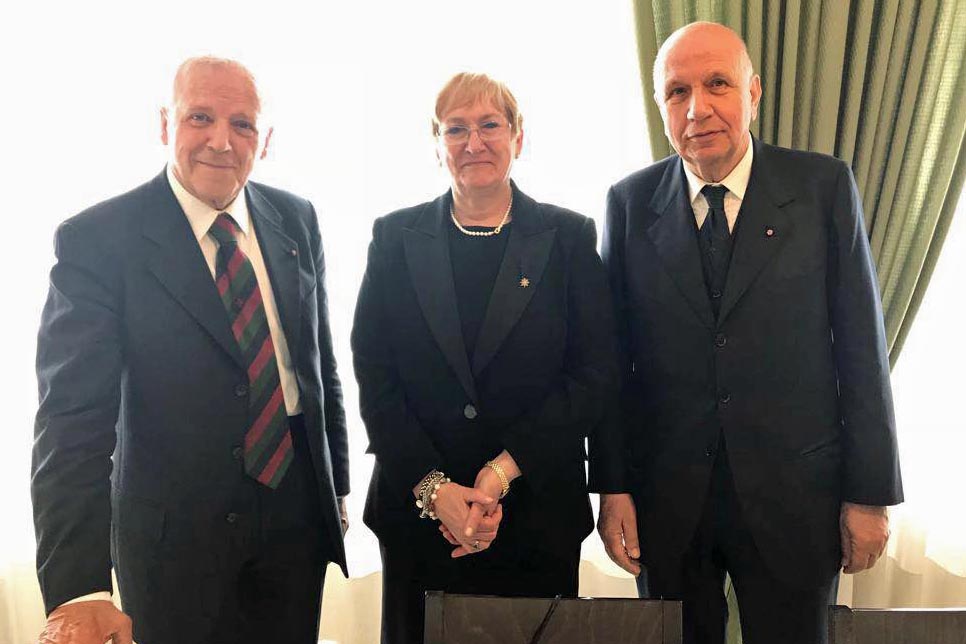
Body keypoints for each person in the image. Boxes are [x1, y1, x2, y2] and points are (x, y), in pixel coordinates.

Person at [594, 22, 903, 644]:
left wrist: (869, 495)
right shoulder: (629, 203)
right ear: (661, 106)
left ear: (753, 93)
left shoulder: (821, 188)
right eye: (677, 92)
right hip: (667, 500)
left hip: (796, 497)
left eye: (717, 84)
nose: (697, 109)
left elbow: (861, 349)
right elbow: (611, 364)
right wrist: (613, 487)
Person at [33, 56, 349, 644]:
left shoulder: (296, 218)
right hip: (172, 544)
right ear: (165, 124)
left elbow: (316, 363)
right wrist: (80, 589)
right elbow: (70, 421)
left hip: (294, 526)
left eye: (242, 124)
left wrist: (337, 490)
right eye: (200, 117)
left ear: (265, 139)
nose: (221, 141)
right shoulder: (99, 239)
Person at [351, 72, 618, 644]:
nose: (474, 142)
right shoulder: (394, 238)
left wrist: (501, 471)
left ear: (518, 136)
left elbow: (594, 374)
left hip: (537, 514)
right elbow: (375, 377)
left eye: (489, 125)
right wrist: (435, 491)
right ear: (437, 143)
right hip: (420, 519)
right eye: (456, 129)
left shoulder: (568, 238)